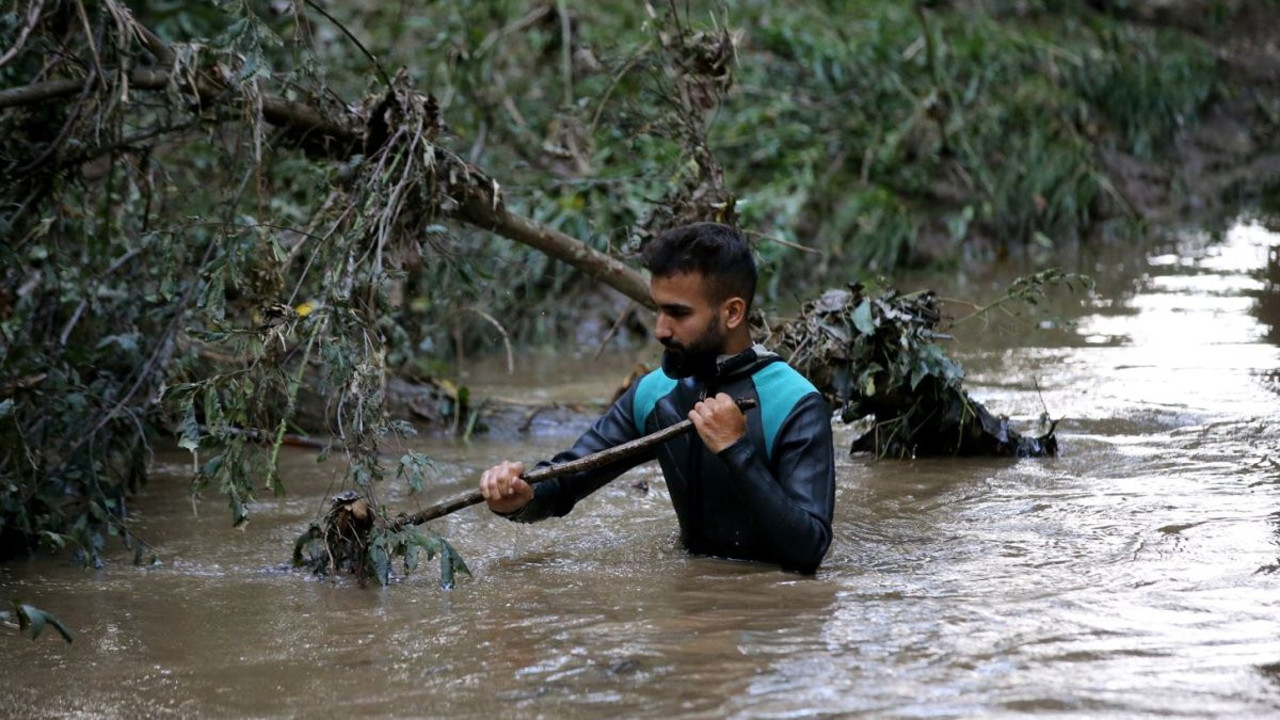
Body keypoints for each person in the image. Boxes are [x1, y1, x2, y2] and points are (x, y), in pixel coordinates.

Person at [479, 222, 835, 573]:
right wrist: (521, 498)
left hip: (771, 619)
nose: (660, 329)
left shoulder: (796, 403)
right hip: (690, 603)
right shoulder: (655, 393)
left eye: (678, 313)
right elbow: (567, 480)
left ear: (732, 312)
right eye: (659, 309)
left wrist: (735, 449)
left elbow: (808, 551)